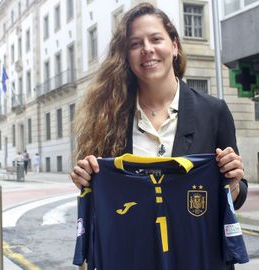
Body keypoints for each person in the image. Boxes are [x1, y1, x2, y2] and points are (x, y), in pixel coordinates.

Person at [70, 3, 247, 269]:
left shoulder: (214, 111)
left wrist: (232, 184)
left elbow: (236, 194)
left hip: (197, 258)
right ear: (127, 56)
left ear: (174, 45)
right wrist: (85, 179)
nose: (147, 50)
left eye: (155, 39)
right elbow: (104, 201)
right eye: (135, 44)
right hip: (133, 256)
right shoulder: (108, 119)